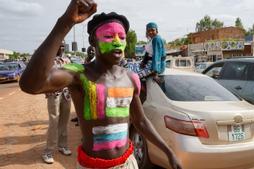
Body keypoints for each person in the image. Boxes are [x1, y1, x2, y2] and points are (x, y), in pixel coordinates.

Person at [19, 0, 182, 169]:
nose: (118, 42)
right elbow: (31, 84)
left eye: (122, 37)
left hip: (127, 163)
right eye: (109, 36)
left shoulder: (131, 78)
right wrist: (66, 22)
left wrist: (168, 152)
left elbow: (140, 122)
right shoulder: (79, 74)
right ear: (93, 41)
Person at [42, 42, 72, 164]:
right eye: (59, 46)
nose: (62, 48)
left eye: (63, 46)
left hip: (66, 94)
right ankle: (48, 151)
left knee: (64, 121)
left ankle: (62, 145)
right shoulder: (48, 60)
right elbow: (44, 77)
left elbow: (71, 75)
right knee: (54, 122)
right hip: (53, 95)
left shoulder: (67, 60)